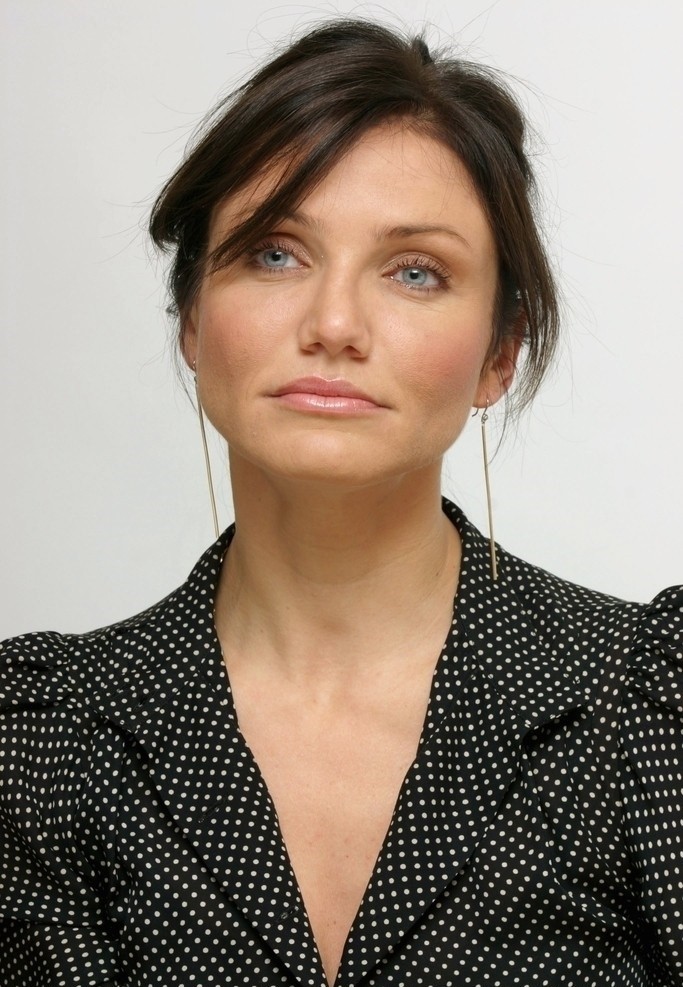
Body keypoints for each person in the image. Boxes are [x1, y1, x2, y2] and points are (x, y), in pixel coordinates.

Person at [1, 17, 681, 987]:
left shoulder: (647, 704)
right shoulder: (35, 739)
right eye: (275, 253)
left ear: (499, 352)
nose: (332, 324)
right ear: (191, 315)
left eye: (414, 272)